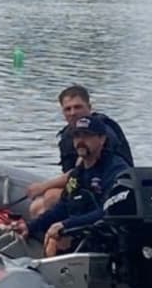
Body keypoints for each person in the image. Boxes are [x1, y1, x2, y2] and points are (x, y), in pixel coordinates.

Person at [12, 115, 131, 257]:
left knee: (57, 238)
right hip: (81, 232)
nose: (81, 141)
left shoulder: (115, 170)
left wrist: (66, 225)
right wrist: (29, 227)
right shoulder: (78, 173)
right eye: (77, 136)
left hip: (106, 239)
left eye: (87, 136)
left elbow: (107, 212)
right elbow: (63, 206)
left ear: (102, 139)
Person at [26, 84, 133, 219]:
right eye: (68, 109)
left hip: (106, 190)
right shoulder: (67, 136)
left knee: (51, 196)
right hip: (83, 186)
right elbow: (73, 175)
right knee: (37, 207)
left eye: (78, 107)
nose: (73, 113)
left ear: (89, 107)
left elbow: (85, 169)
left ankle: (66, 227)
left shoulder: (102, 133)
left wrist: (43, 186)